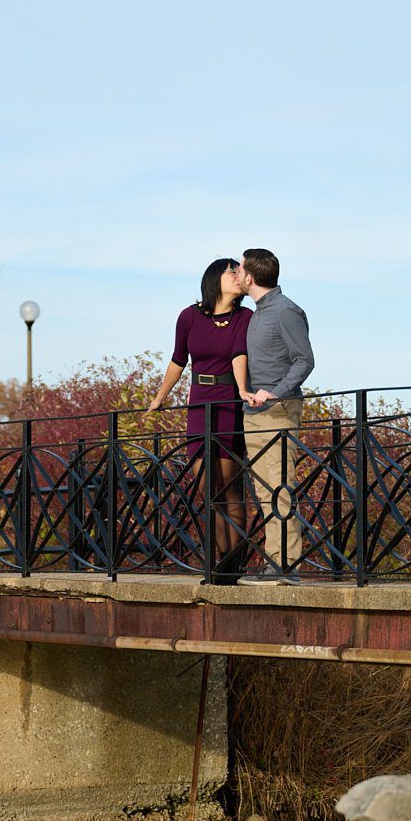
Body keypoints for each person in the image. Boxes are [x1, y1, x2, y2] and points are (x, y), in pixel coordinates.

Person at [149, 258, 250, 573]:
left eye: (239, 271)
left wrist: (245, 390)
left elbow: (241, 356)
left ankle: (233, 565)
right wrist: (158, 399)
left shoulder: (245, 317)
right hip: (199, 404)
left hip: (229, 401)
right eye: (231, 271)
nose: (237, 276)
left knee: (231, 488)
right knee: (208, 490)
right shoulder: (189, 317)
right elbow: (178, 360)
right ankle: (223, 560)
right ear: (213, 279)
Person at [234, 248, 315, 584]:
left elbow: (304, 360)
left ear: (251, 276)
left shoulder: (285, 311)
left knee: (280, 487)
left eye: (239, 269)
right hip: (254, 412)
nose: (237, 275)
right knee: (265, 490)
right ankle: (275, 563)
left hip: (278, 411)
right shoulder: (256, 313)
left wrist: (276, 391)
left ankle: (286, 566)